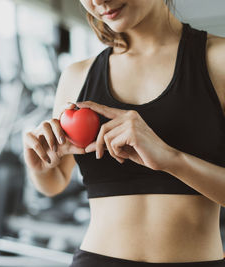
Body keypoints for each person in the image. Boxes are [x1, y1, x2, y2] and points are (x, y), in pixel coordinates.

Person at [22, 0, 225, 266]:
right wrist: (39, 165)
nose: (98, 1)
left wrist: (172, 159)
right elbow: (56, 180)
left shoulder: (218, 60)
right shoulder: (77, 76)